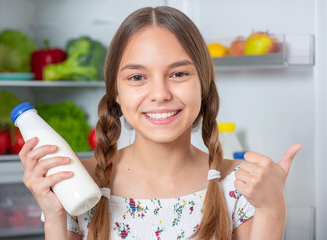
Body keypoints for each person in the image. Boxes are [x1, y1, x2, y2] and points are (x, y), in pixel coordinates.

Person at [19, 6, 302, 240]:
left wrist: (273, 207)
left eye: (178, 74)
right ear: (115, 93)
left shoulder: (239, 186)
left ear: (203, 85)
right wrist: (55, 217)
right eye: (137, 77)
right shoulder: (78, 183)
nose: (160, 94)